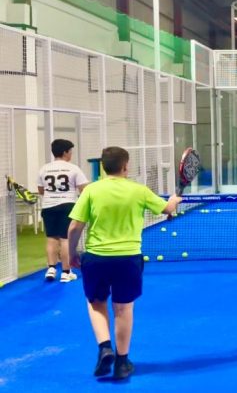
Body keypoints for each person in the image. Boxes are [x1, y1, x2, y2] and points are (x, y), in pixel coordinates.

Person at [67, 147, 181, 380]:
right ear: (125, 166)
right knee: (123, 308)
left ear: (103, 166)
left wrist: (71, 255)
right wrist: (173, 201)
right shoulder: (138, 190)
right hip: (128, 258)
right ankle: (122, 362)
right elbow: (167, 209)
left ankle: (104, 347)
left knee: (96, 303)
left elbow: (75, 227)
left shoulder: (91, 190)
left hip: (96, 258)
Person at [37, 139, 89, 283]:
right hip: (67, 206)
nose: (71, 154)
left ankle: (51, 269)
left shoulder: (44, 168)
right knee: (65, 238)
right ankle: (66, 272)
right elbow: (84, 190)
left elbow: (41, 190)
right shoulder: (73, 168)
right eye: (70, 151)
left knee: (51, 238)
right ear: (65, 152)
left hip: (48, 206)